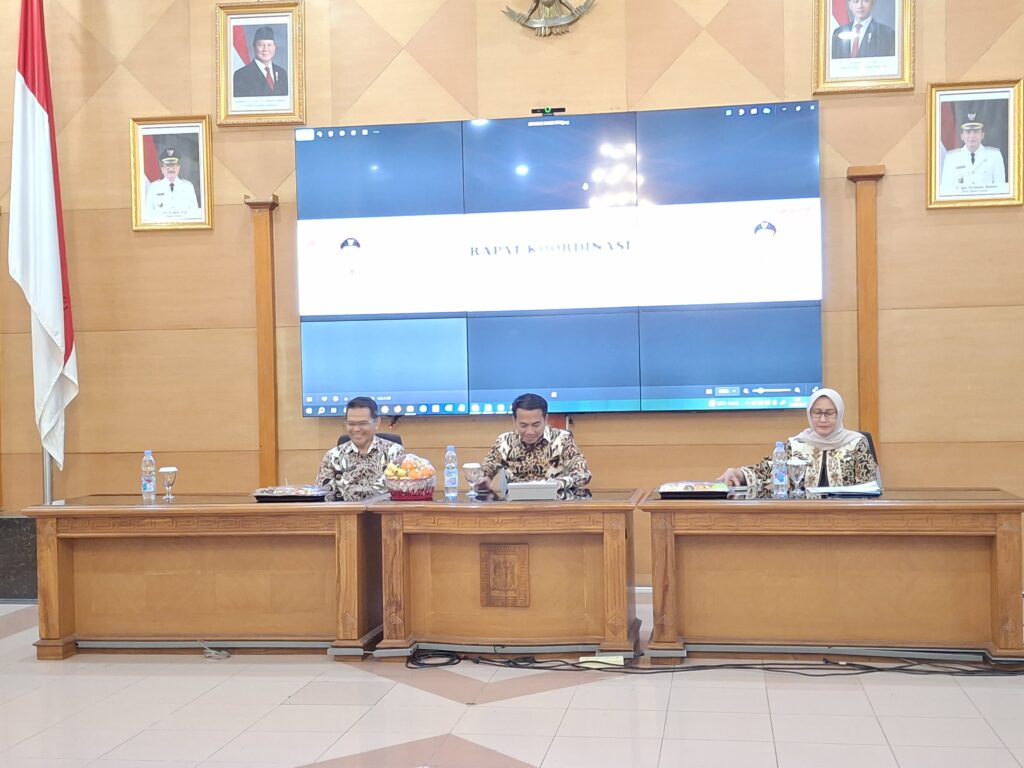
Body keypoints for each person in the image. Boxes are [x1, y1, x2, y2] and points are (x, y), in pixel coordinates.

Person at [716, 388, 878, 494]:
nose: (823, 419)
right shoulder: (796, 444)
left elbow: (869, 488)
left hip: (846, 517)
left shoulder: (856, 443)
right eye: (817, 412)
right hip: (804, 515)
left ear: (839, 413)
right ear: (809, 413)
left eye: (829, 413)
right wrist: (737, 473)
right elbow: (766, 471)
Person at [477, 393, 592, 493]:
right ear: (514, 421)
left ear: (545, 419)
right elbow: (486, 470)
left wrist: (560, 483)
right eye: (523, 425)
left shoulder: (563, 439)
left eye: (536, 425)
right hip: (515, 505)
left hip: (554, 504)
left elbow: (584, 474)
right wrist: (484, 479)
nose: (530, 432)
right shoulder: (504, 441)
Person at [316, 396, 403, 501]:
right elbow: (323, 500)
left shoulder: (395, 454)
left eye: (363, 423)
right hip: (345, 511)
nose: (356, 429)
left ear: (377, 423)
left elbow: (403, 495)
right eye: (351, 424)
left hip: (386, 511)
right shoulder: (332, 457)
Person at [939, 117, 1008, 196]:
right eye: (968, 132)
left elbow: (1000, 190)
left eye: (976, 132)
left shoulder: (995, 156)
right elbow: (946, 191)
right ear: (962, 136)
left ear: (982, 135)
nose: (972, 136)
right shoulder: (951, 158)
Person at [233, 25, 289, 98]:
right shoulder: (241, 75)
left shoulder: (282, 73)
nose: (265, 49)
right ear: (254, 47)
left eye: (269, 45)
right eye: (261, 45)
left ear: (274, 47)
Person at [145, 148, 200, 219]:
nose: (171, 169)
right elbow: (149, 215)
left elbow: (194, 214)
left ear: (178, 167)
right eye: (167, 166)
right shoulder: (154, 188)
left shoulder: (188, 187)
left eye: (173, 165)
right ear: (162, 168)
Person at [831, 0, 896, 59]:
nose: (860, 6)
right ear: (850, 5)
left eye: (865, 1)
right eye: (856, 1)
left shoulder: (887, 35)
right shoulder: (838, 33)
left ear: (872, 3)